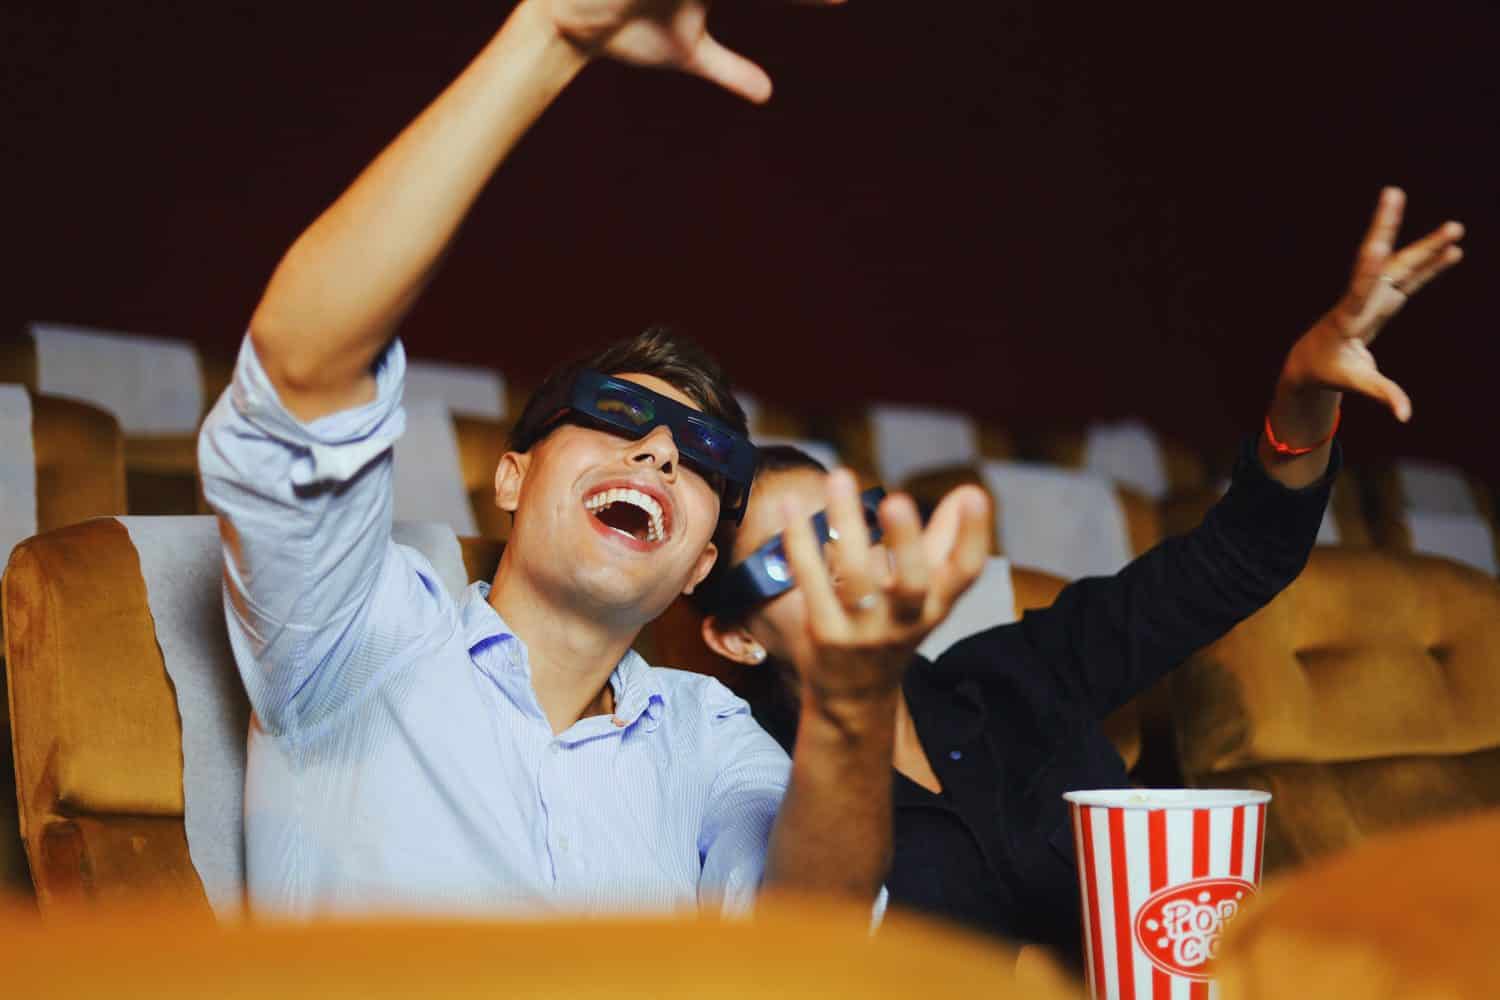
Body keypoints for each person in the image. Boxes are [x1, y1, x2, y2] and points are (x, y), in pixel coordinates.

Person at [197, 0, 995, 917]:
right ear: (512, 475)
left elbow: (807, 944)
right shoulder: (358, 635)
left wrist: (853, 708)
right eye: (616, 413)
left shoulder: (709, 737)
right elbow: (300, 370)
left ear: (701, 565)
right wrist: (548, 36)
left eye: (702, 455)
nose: (658, 450)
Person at [696, 188, 1465, 959]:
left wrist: (1305, 395)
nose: (844, 563)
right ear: (735, 639)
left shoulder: (1013, 677)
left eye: (852, 524)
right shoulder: (748, 780)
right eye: (786, 557)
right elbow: (796, 954)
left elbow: (1238, 558)